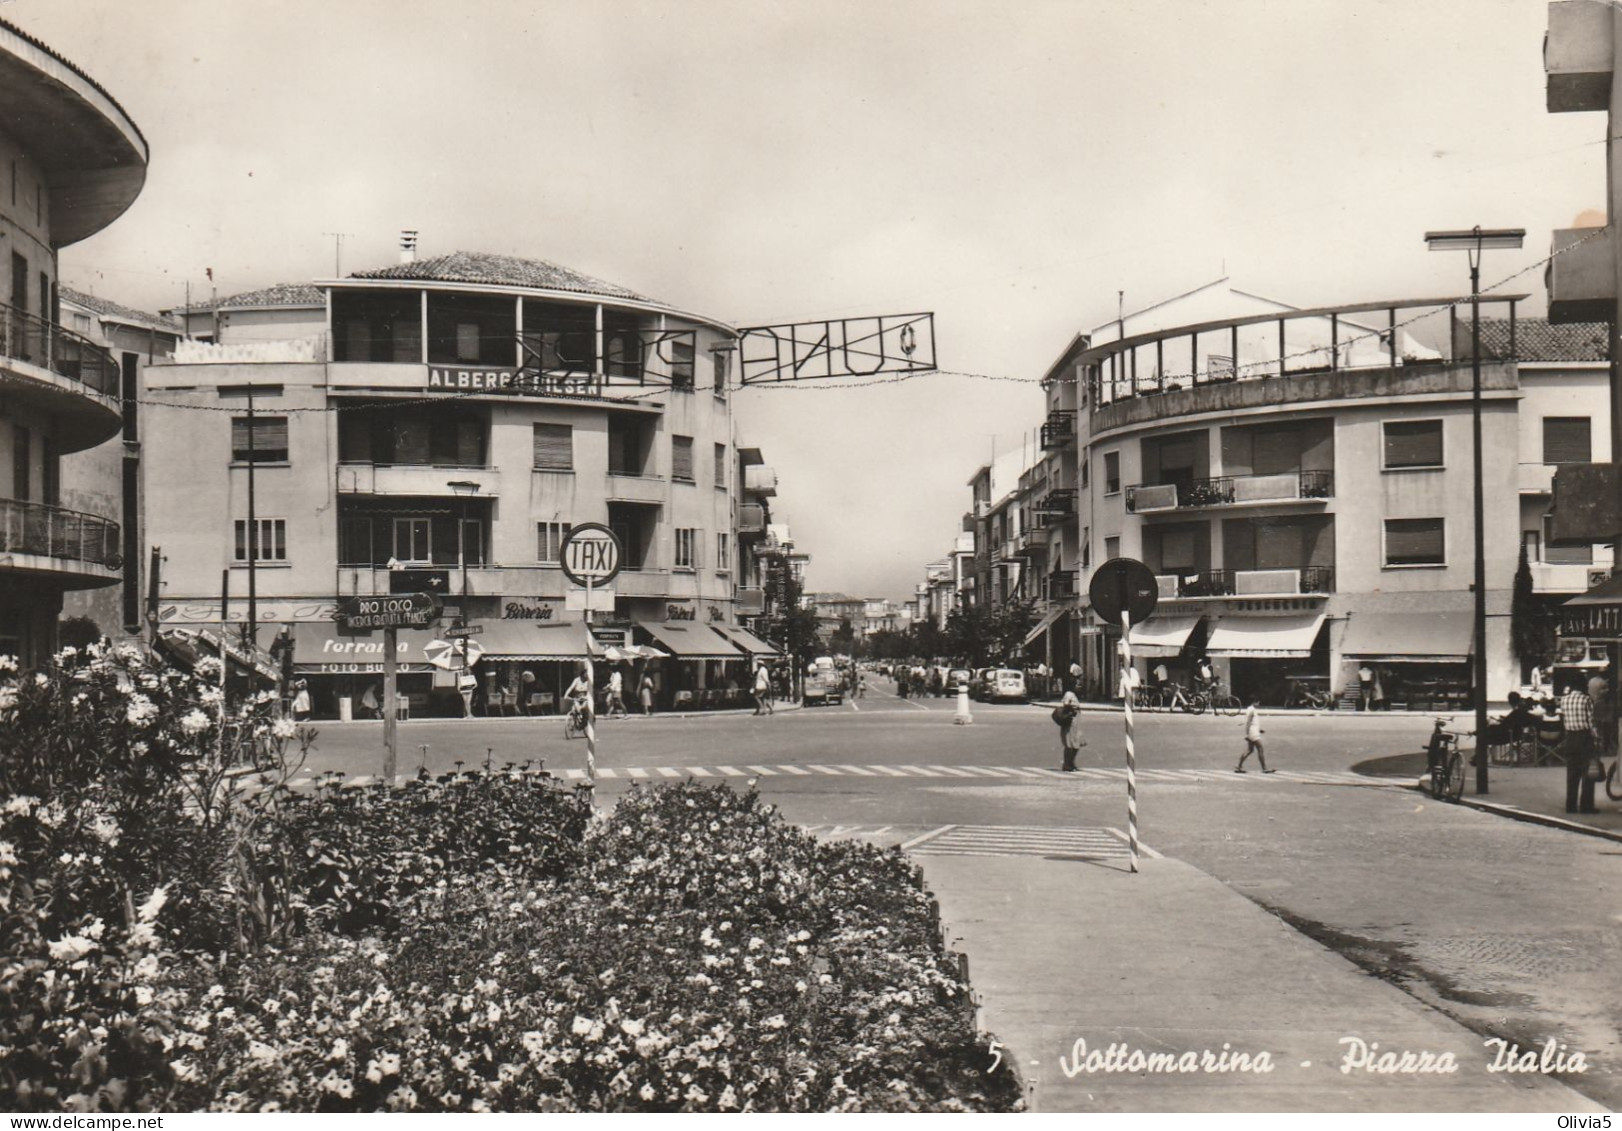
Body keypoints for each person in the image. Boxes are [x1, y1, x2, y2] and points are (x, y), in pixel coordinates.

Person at [1560, 680, 1600, 814]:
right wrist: (1596, 738)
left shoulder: (1564, 700)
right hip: (1584, 737)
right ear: (1583, 687)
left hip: (1570, 738)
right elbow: (1591, 721)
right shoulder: (1586, 700)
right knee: (1587, 773)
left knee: (1572, 773)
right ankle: (1586, 806)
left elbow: (1564, 719)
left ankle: (1570, 806)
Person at [566, 660, 598, 778]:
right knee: (577, 708)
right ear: (582, 674)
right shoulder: (576, 680)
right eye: (585, 674)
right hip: (577, 698)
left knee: (585, 709)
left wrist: (588, 697)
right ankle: (574, 723)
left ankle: (584, 723)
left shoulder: (589, 682)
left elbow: (591, 692)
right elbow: (570, 689)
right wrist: (566, 695)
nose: (586, 676)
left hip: (585, 699)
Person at [1236, 698, 1272, 773]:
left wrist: (1259, 729)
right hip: (1253, 733)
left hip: (1253, 731)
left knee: (1250, 750)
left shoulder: (1250, 709)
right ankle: (1264, 768)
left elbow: (1253, 722)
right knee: (1260, 748)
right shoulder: (1251, 710)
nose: (1259, 705)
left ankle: (1239, 766)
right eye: (1258, 703)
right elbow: (1248, 721)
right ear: (1255, 702)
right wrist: (1247, 733)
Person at [1055, 689, 1087, 771]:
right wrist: (1072, 710)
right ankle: (1067, 764)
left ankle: (1071, 763)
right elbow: (1066, 703)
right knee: (1070, 745)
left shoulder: (1072, 694)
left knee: (1076, 744)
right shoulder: (1069, 693)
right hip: (1070, 723)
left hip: (1075, 723)